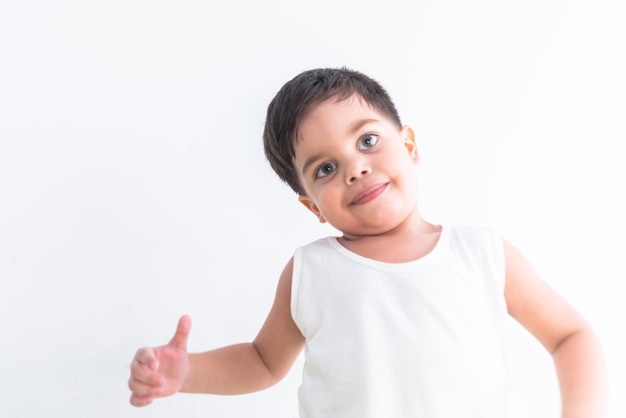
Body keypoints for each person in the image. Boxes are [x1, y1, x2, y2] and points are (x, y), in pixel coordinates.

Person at [128, 67, 606, 417]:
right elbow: (262, 361)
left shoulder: (480, 252)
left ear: (410, 145)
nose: (355, 168)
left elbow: (571, 336)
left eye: (368, 141)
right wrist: (185, 374)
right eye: (326, 169)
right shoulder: (310, 271)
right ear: (313, 206)